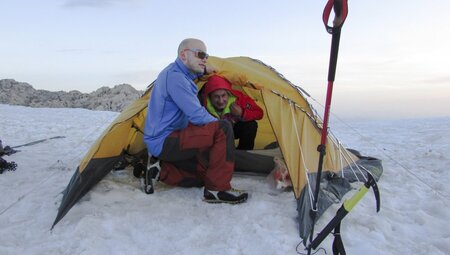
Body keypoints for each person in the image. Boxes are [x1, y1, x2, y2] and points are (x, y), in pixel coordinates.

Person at [143, 38, 248, 204]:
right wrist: (218, 125)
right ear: (184, 55)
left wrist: (204, 70)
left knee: (208, 173)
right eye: (201, 54)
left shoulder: (180, 74)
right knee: (223, 128)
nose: (205, 59)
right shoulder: (175, 78)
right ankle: (217, 190)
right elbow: (197, 115)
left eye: (206, 55)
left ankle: (161, 170)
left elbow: (193, 71)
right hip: (165, 140)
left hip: (171, 137)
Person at [200, 75, 263, 150]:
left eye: (223, 96)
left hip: (233, 129)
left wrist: (242, 113)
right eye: (216, 97)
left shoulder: (239, 99)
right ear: (209, 96)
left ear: (228, 93)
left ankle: (244, 153)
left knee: (251, 125)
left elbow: (259, 113)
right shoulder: (202, 103)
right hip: (214, 133)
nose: (221, 101)